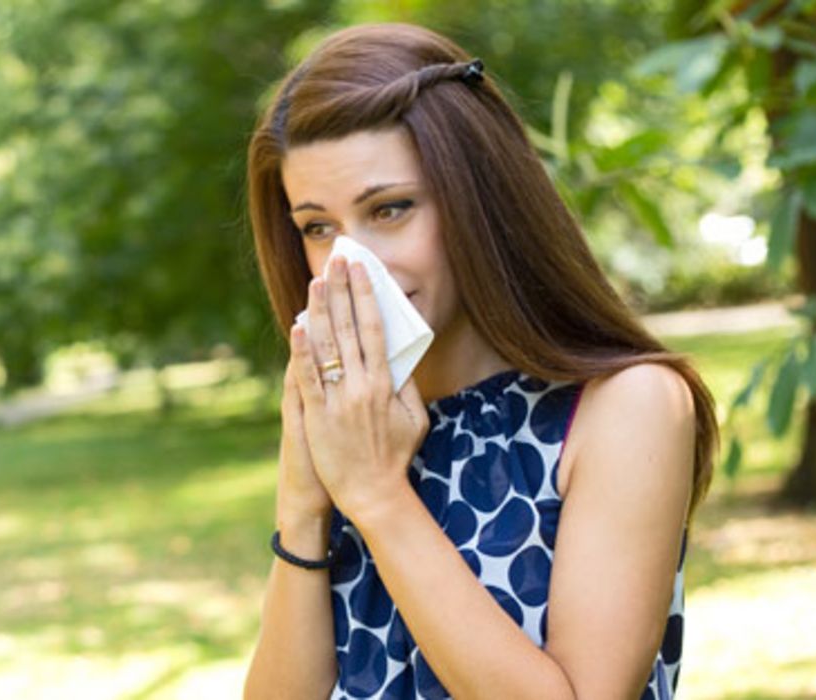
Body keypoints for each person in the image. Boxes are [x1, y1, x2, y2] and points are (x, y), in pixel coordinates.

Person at [241, 23, 718, 700]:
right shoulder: (356, 416)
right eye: (318, 227)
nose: (354, 263)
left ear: (478, 200)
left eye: (390, 209)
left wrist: (378, 495)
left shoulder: (625, 405)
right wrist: (303, 504)